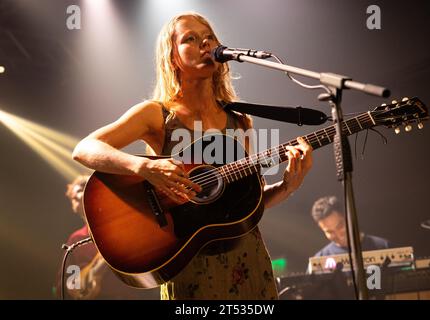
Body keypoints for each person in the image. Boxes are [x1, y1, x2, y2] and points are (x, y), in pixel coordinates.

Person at [72, 12, 313, 300]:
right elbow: (85, 148)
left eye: (209, 37)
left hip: (247, 259)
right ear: (172, 57)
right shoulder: (156, 114)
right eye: (191, 38)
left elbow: (245, 203)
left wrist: (287, 187)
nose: (205, 43)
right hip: (187, 262)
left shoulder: (240, 119)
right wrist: (142, 166)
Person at [56, 175, 158, 299]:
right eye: (73, 197)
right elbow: (71, 279)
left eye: (81, 190)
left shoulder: (121, 222)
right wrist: (82, 287)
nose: (77, 196)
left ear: (91, 193)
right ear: (73, 207)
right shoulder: (76, 239)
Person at [311, 195, 390, 257]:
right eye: (330, 232)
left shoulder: (383, 246)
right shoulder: (321, 258)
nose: (339, 235)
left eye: (340, 226)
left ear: (349, 217)